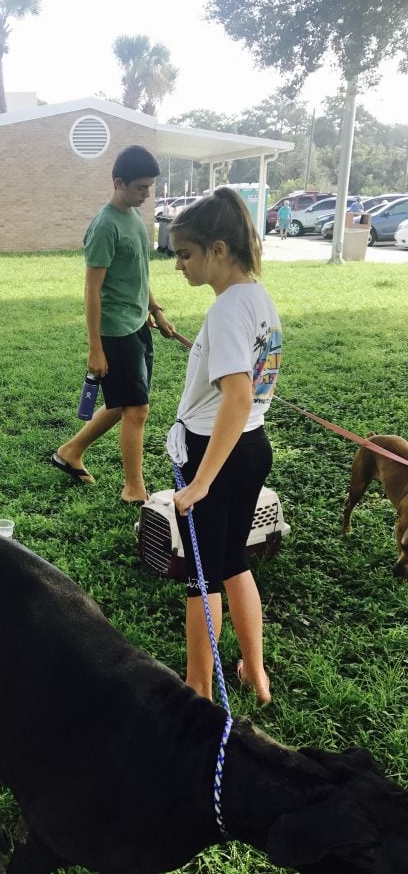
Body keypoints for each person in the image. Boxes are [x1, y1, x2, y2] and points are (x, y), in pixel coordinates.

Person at [166, 187, 281, 705]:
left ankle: (197, 690)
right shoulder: (256, 297)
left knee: (202, 577)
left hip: (218, 450)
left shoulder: (228, 309)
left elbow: (236, 398)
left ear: (217, 249)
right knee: (233, 561)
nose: (179, 266)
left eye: (184, 254)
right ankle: (255, 674)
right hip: (252, 445)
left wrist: (201, 482)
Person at [52, 145, 176, 505]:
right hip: (115, 331)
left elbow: (139, 272)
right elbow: (92, 289)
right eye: (140, 187)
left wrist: (156, 309)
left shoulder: (135, 218)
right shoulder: (105, 225)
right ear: (118, 182)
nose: (147, 194)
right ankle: (134, 489)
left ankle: (70, 452)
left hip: (137, 324)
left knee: (124, 403)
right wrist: (95, 347)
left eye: (150, 186)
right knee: (137, 409)